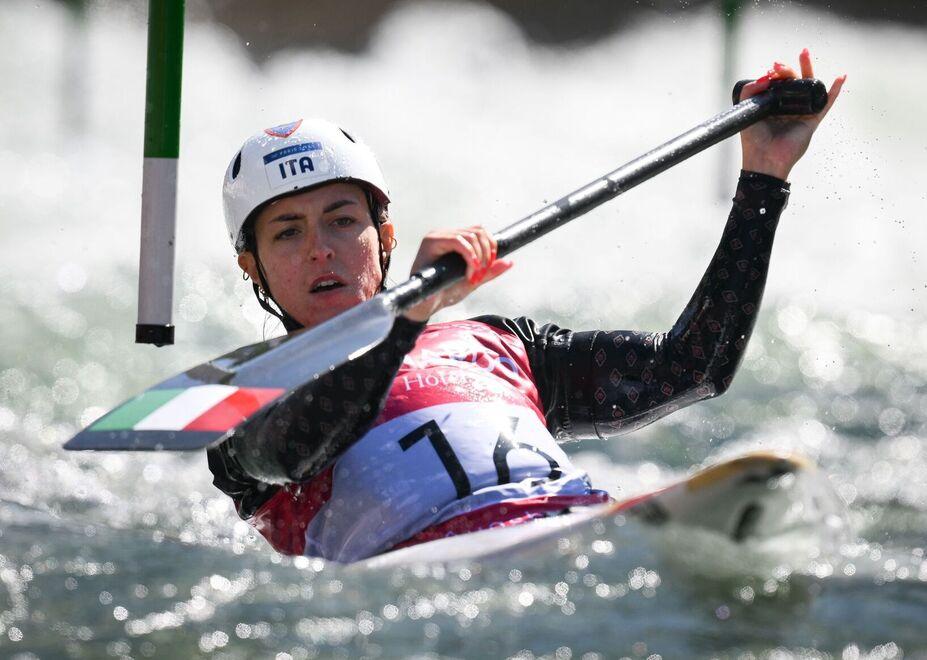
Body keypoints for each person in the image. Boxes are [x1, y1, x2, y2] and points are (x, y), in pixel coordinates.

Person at [208, 51, 845, 562]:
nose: (321, 250)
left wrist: (764, 176)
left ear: (386, 235)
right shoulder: (238, 398)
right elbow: (293, 451)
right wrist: (405, 324)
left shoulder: (501, 343)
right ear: (252, 265)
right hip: (433, 586)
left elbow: (695, 368)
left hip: (578, 530)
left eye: (343, 220)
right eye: (287, 232)